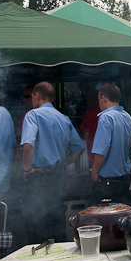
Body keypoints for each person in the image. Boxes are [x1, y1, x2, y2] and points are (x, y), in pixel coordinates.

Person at [21, 81, 85, 242]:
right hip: (57, 177)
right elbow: (79, 149)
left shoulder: (33, 115)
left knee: (36, 224)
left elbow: (27, 145)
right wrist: (61, 164)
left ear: (37, 95)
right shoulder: (63, 118)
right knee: (57, 223)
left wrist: (27, 169)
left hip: (38, 179)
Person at [90, 84, 131, 204]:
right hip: (124, 178)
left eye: (99, 99)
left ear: (104, 98)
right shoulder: (127, 117)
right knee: (122, 211)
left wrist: (94, 171)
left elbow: (101, 150)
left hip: (108, 182)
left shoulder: (106, 118)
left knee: (100, 213)